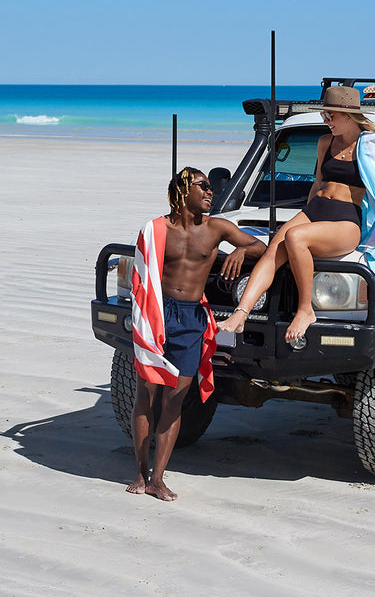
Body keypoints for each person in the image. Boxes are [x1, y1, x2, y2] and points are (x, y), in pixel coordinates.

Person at [219, 86, 375, 345]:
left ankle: (306, 309)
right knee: (274, 248)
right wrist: (308, 209)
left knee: (295, 237)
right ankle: (241, 313)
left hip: (346, 219)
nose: (326, 121)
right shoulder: (325, 142)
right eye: (324, 115)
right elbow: (317, 183)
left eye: (331, 116)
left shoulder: (372, 144)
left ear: (349, 115)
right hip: (316, 210)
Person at [128, 167, 265, 502]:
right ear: (183, 189)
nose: (210, 192)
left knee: (174, 400)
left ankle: (158, 479)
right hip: (156, 315)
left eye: (209, 188)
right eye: (203, 186)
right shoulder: (156, 228)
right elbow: (142, 275)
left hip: (191, 319)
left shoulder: (217, 228)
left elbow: (262, 247)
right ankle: (140, 472)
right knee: (146, 395)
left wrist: (240, 250)